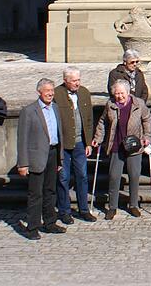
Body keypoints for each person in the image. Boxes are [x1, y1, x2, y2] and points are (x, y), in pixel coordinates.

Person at [93, 80, 151, 220]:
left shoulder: (138, 104)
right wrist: (98, 137)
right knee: (114, 176)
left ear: (128, 92)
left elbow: (147, 119)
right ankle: (112, 207)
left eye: (122, 93)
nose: (119, 96)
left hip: (134, 145)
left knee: (134, 175)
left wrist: (147, 136)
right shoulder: (111, 104)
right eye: (117, 93)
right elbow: (102, 122)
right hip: (116, 144)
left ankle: (133, 205)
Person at [17, 78, 66, 240]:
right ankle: (32, 227)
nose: (51, 93)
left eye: (52, 90)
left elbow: (59, 134)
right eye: (47, 91)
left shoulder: (56, 108)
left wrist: (60, 159)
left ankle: (50, 222)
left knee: (50, 191)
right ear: (39, 92)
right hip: (36, 157)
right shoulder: (29, 111)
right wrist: (23, 163)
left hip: (53, 153)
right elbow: (22, 139)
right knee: (35, 194)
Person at [54, 67, 97, 224]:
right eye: (74, 81)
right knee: (63, 178)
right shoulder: (57, 94)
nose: (77, 83)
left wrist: (88, 142)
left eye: (78, 80)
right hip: (63, 145)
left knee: (82, 176)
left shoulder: (84, 93)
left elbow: (89, 120)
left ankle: (83, 209)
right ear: (65, 80)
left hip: (80, 143)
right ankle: (64, 211)